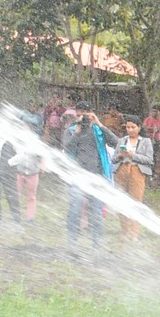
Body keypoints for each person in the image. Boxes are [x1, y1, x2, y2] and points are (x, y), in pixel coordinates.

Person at [61, 104, 113, 249]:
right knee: (74, 208)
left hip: (97, 177)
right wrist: (77, 132)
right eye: (80, 113)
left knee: (96, 211)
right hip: (76, 177)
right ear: (76, 114)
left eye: (86, 114)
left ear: (91, 114)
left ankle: (97, 244)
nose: (83, 116)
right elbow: (67, 149)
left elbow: (115, 142)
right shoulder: (71, 131)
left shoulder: (98, 131)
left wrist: (100, 124)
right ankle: (72, 241)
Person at [113, 116, 154, 239]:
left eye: (133, 127)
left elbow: (149, 160)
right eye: (128, 127)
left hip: (137, 171)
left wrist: (133, 155)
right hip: (122, 170)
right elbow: (113, 159)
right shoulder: (121, 141)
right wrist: (121, 155)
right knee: (122, 201)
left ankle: (134, 233)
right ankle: (124, 231)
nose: (130, 130)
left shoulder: (146, 141)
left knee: (136, 202)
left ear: (139, 127)